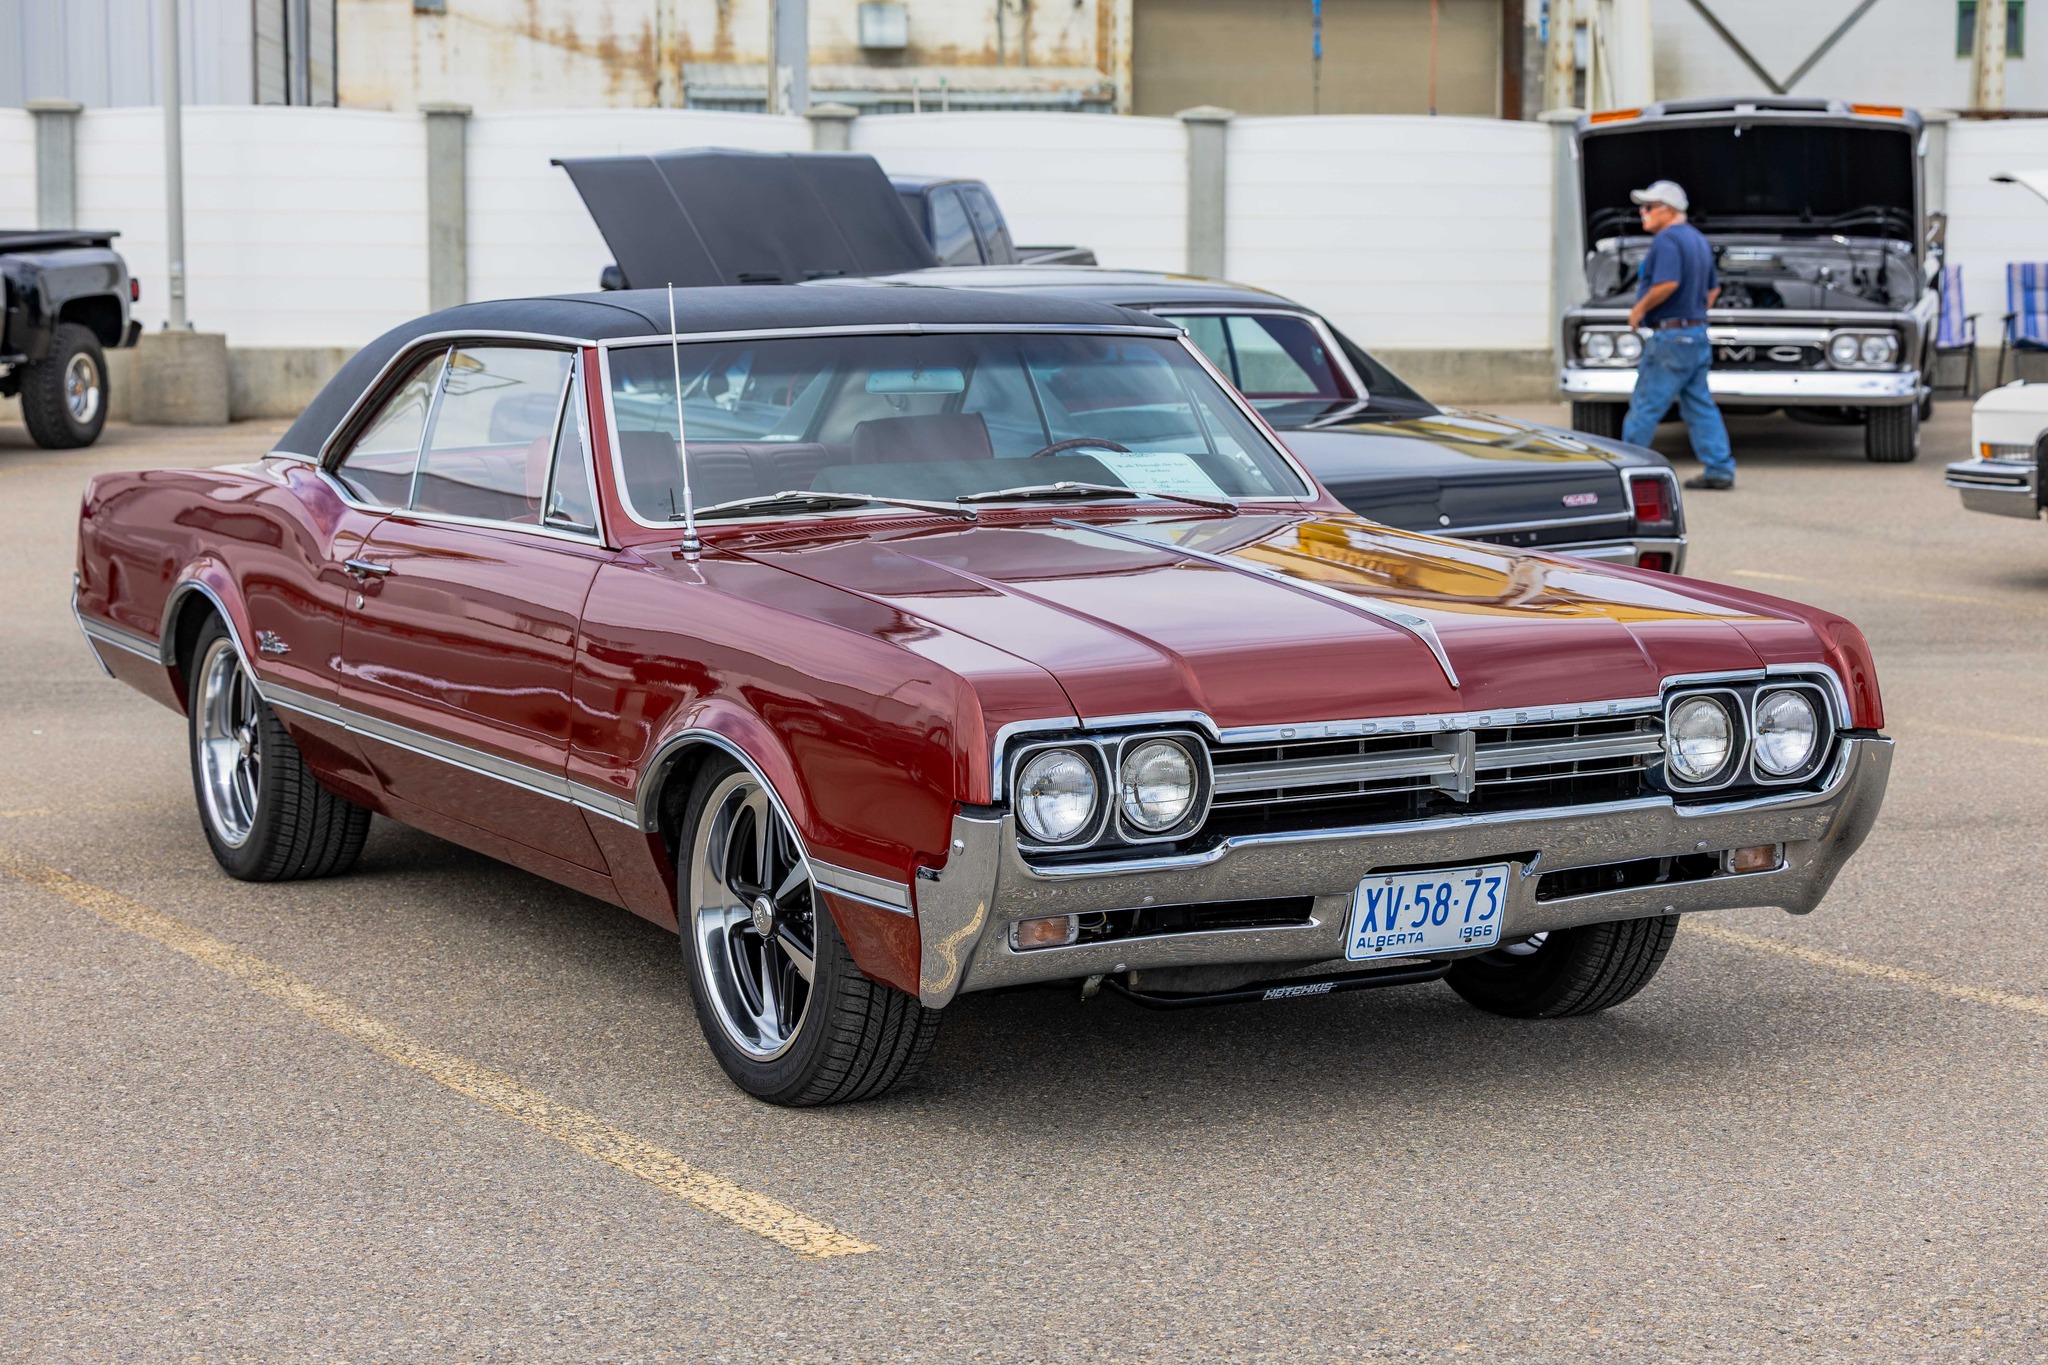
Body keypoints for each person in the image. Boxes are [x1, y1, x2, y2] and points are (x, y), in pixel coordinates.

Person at [1623, 180, 1735, 491]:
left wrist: (1639, 310)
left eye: (1648, 207)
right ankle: (1719, 468)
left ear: (1668, 210)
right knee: (1699, 405)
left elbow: (1667, 284)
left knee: (1645, 405)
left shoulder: (1667, 240)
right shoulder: (1697, 240)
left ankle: (1626, 471)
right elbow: (1713, 290)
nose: (1643, 213)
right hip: (1696, 335)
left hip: (1670, 338)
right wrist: (1692, 315)